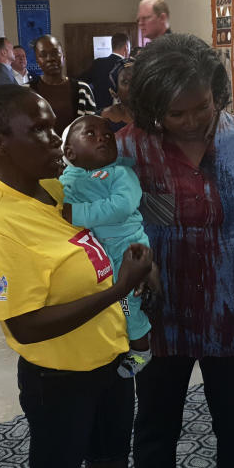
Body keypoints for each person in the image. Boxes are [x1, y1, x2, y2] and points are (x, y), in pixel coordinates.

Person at [0, 85, 151, 468]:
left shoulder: (51, 189)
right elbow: (23, 324)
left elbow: (116, 226)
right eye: (40, 130)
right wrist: (118, 291)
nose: (55, 138)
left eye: (53, 125)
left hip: (109, 364)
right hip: (60, 382)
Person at [118, 33, 234, 468]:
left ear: (218, 92)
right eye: (174, 113)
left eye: (200, 107)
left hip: (233, 301)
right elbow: (111, 226)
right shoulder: (126, 149)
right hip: (158, 308)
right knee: (157, 432)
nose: (189, 121)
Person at [60, 115, 155, 378]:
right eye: (90, 134)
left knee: (127, 304)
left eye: (108, 135)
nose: (102, 137)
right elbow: (57, 210)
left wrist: (76, 213)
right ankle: (118, 344)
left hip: (127, 248)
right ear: (70, 152)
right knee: (102, 304)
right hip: (95, 252)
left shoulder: (120, 173)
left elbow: (122, 206)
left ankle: (141, 350)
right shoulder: (67, 179)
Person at [29, 35, 97, 132]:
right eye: (43, 55)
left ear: (63, 57)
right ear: (37, 60)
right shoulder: (26, 92)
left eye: (55, 53)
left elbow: (92, 128)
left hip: (75, 147)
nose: (50, 59)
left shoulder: (82, 90)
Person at [80, 33, 130, 110]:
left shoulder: (98, 63)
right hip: (119, 113)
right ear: (126, 48)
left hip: (97, 112)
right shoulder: (126, 67)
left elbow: (81, 81)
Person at [100, 58, 135, 132]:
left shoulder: (156, 120)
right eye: (125, 82)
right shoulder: (99, 120)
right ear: (114, 92)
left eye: (138, 79)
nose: (133, 86)